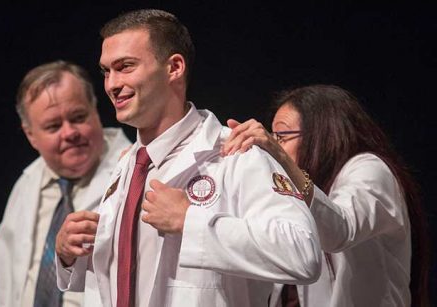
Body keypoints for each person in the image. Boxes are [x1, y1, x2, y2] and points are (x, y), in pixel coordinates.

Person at [55, 9, 322, 307]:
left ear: (174, 67)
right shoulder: (126, 166)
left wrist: (191, 222)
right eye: (106, 71)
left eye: (125, 67)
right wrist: (68, 254)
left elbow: (303, 253)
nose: (111, 84)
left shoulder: (236, 153)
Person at [222, 84, 430, 306]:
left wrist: (280, 157)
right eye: (273, 138)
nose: (273, 146)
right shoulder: (300, 194)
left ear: (321, 134)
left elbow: (338, 230)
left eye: (281, 137)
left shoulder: (370, 169)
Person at [0, 61, 131, 307]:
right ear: (31, 135)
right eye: (53, 126)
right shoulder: (26, 186)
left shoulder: (136, 172)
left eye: (78, 117)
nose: (69, 132)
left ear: (95, 110)